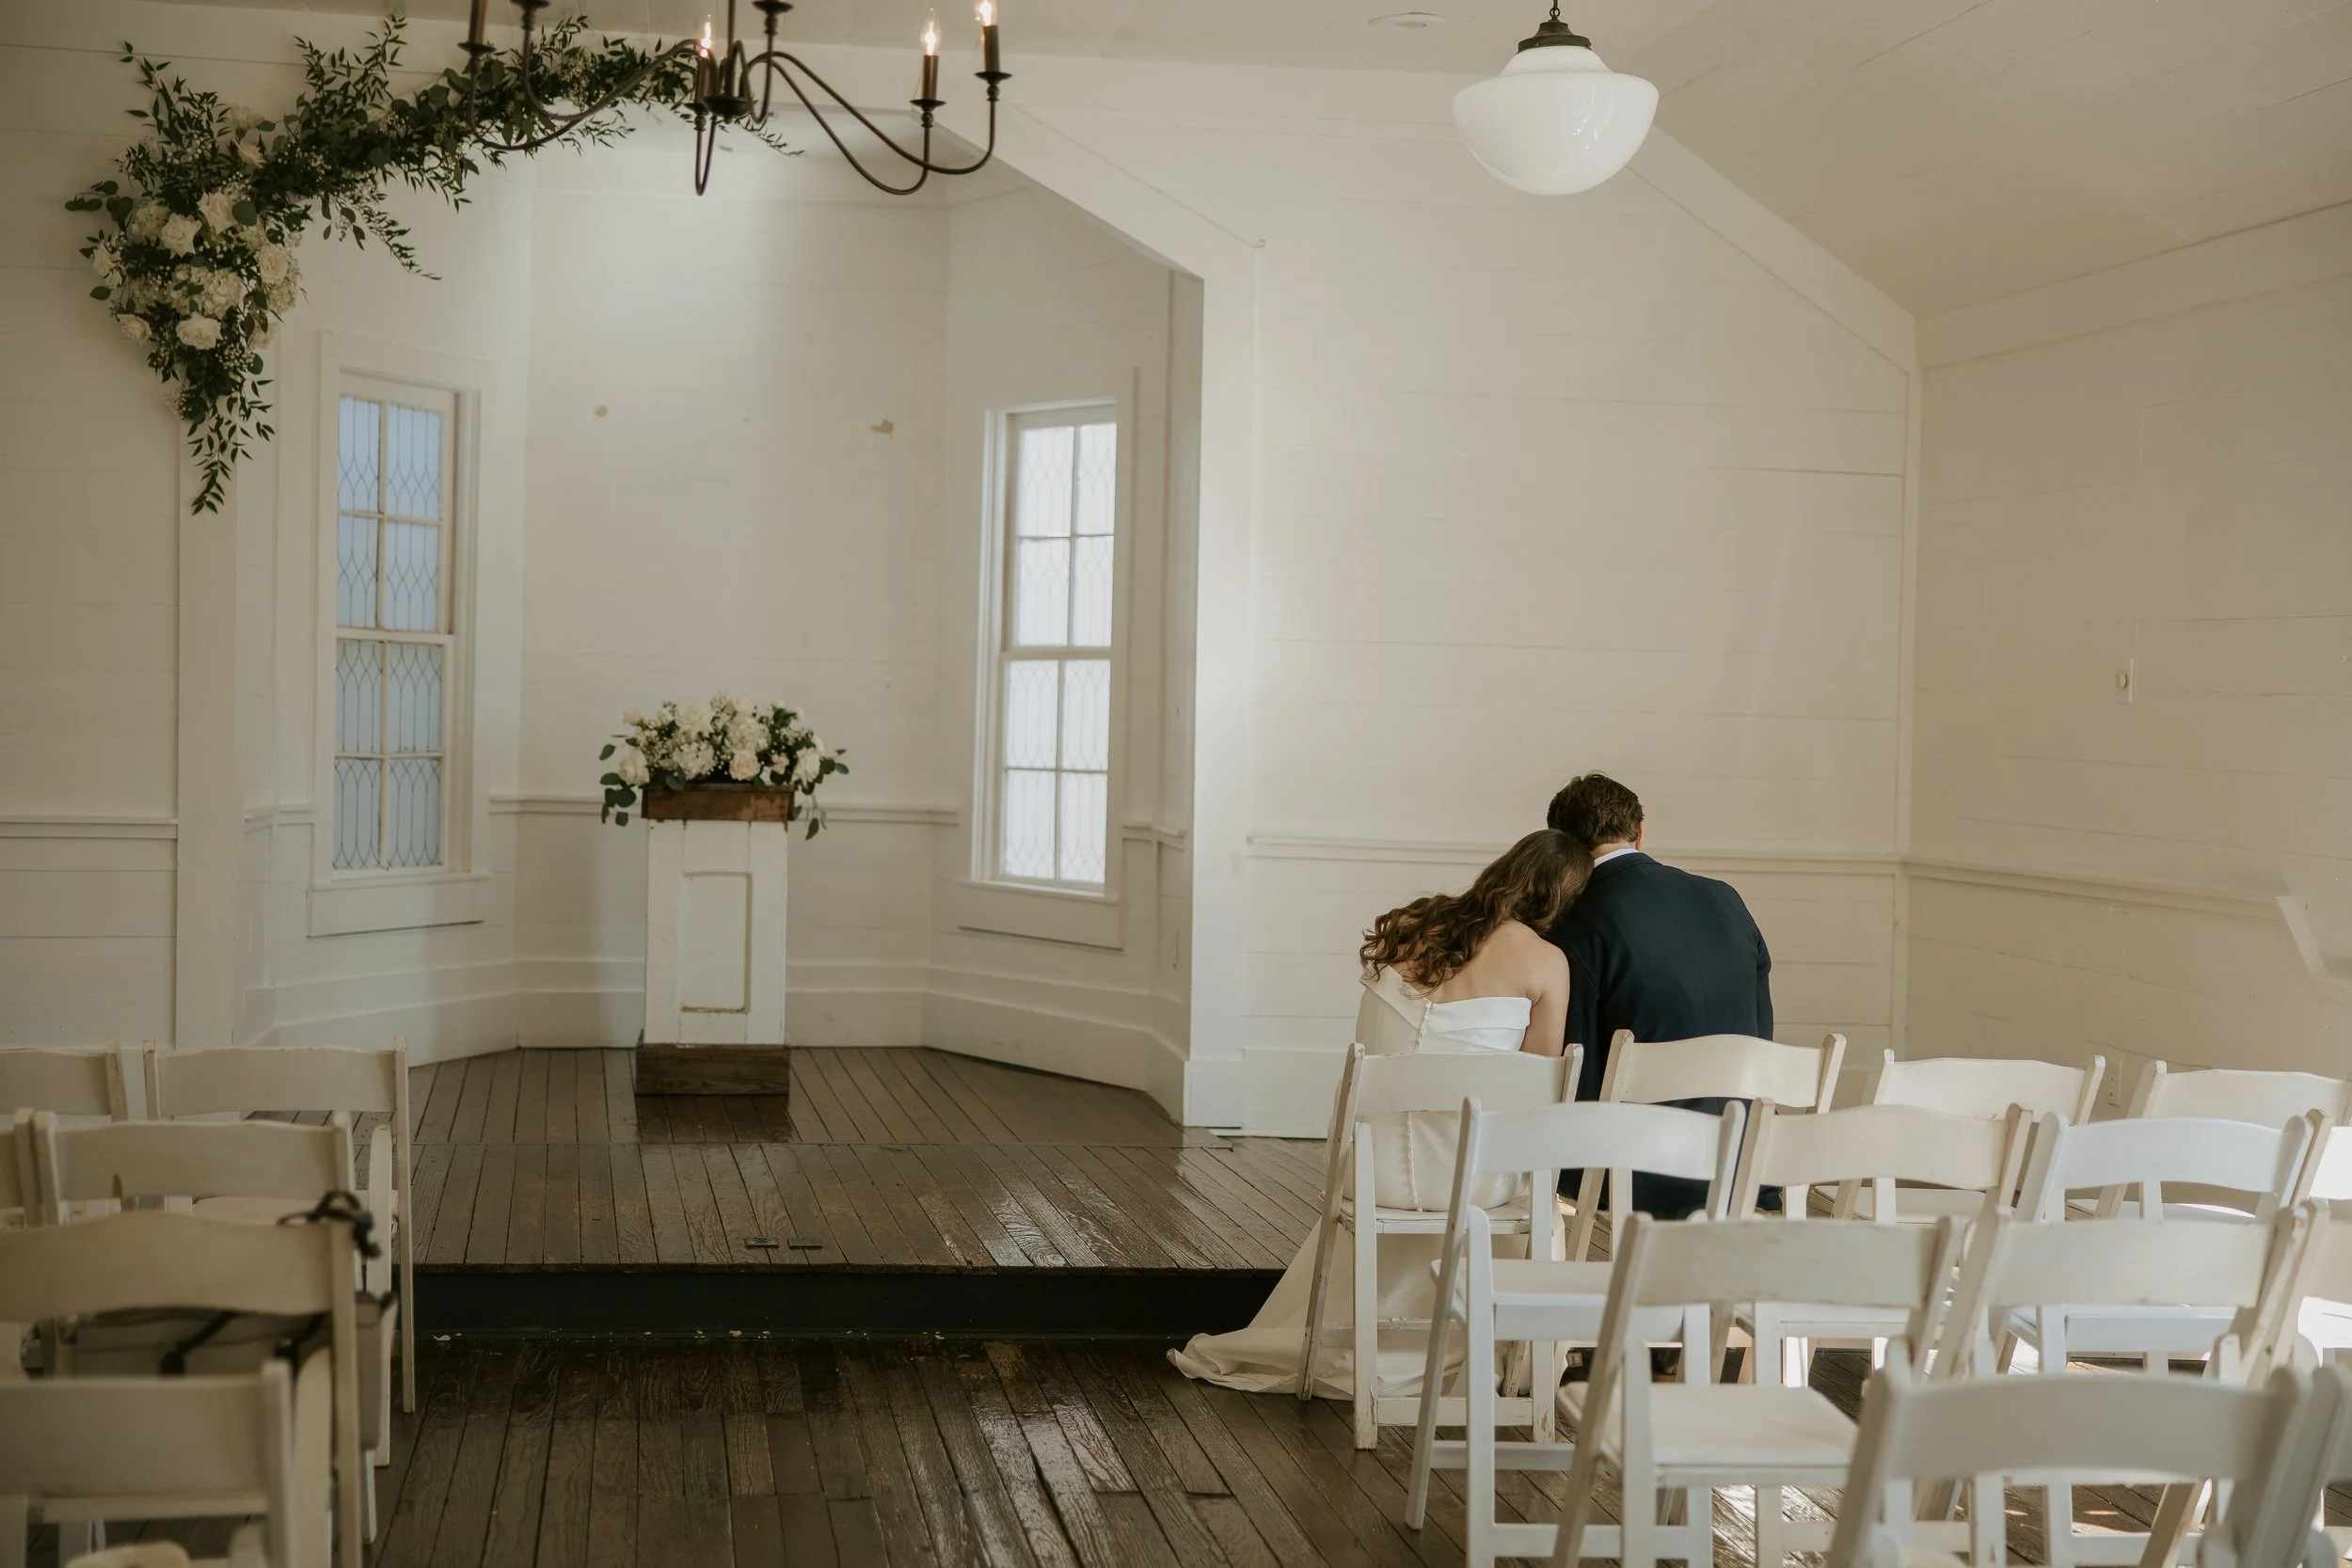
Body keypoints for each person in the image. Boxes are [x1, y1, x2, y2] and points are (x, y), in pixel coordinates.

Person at [1169, 830, 1592, 1399]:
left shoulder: (1414, 930)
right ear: (1562, 900)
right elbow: (1539, 1083)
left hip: (1377, 1169)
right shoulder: (1546, 962)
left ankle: (1362, 1337)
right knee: (1544, 1205)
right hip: (1472, 1182)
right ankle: (1503, 1358)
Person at [1544, 772, 1774, 1219]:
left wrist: (1567, 1178)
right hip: (1742, 1156)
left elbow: (1575, 1057)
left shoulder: (1574, 918)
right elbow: (1760, 1025)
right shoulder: (1725, 898)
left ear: (1561, 843)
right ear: (1639, 832)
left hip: (1636, 1168)